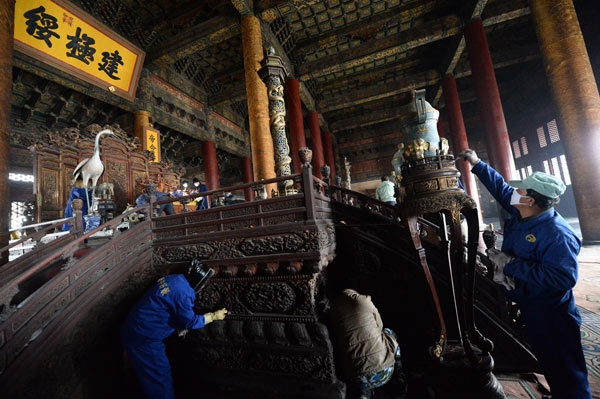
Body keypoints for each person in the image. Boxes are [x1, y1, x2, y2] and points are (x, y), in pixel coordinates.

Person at [459, 149, 591, 399]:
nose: (514, 192)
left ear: (531, 200)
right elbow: (500, 188)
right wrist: (476, 164)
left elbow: (563, 278)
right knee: (548, 361)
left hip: (553, 313)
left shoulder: (557, 234)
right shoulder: (524, 211)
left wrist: (509, 264)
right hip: (530, 303)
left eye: (521, 190)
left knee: (567, 368)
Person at [121, 259, 228, 399]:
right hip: (144, 336)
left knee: (147, 375)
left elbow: (167, 308)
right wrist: (213, 316)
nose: (203, 287)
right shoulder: (184, 293)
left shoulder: (174, 279)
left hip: (136, 325)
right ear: (198, 281)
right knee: (159, 376)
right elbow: (190, 322)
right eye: (204, 283)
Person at [328, 288, 406, 399]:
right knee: (388, 332)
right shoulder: (364, 301)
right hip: (386, 372)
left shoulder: (333, 310)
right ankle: (399, 371)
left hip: (356, 379)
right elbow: (380, 325)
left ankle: (365, 392)